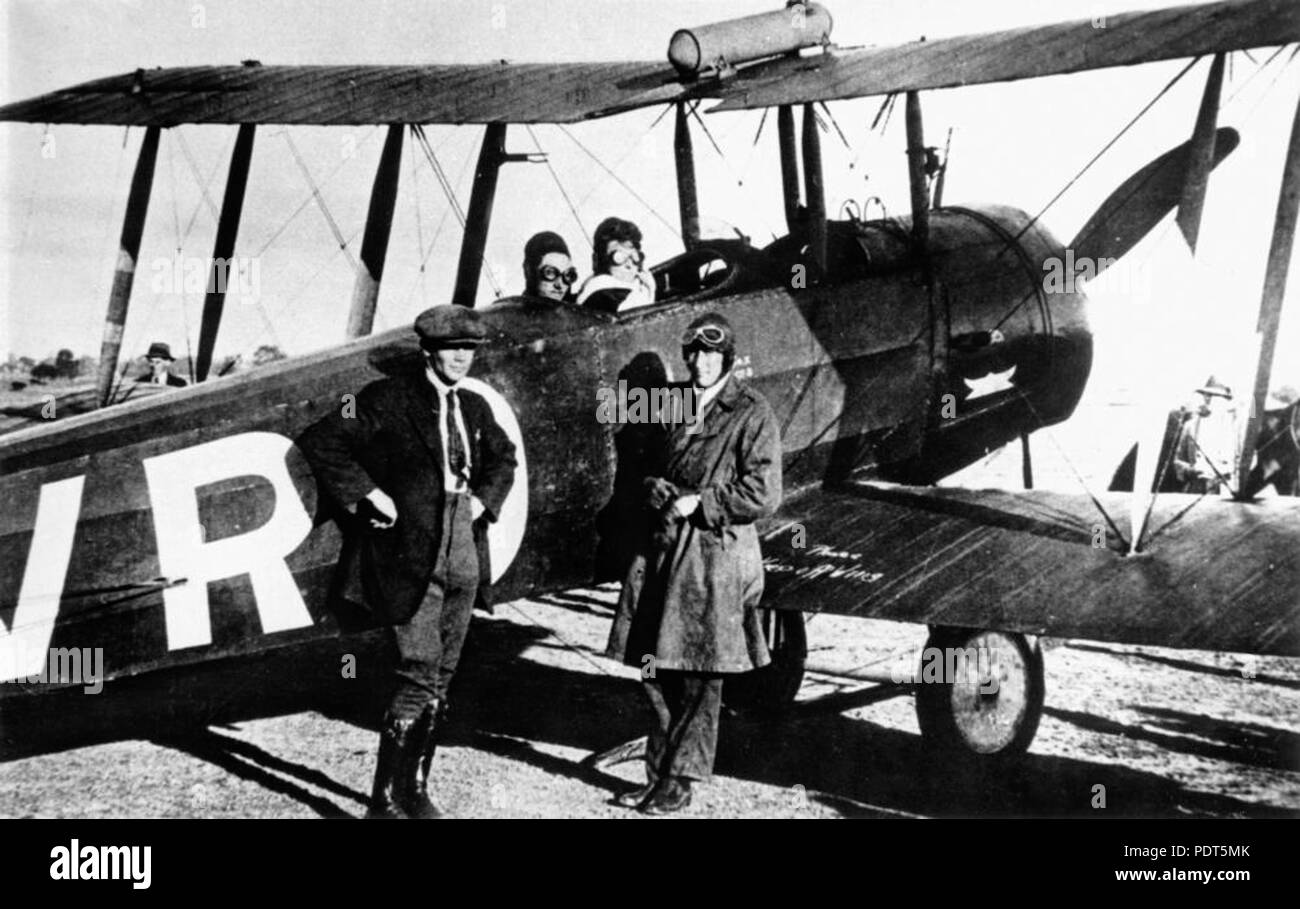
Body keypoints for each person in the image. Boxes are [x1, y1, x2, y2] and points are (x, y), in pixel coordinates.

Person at [298, 305, 516, 819]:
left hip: (462, 544)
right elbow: (323, 440)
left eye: (469, 350)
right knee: (417, 669)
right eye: (451, 349)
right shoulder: (386, 399)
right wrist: (368, 494)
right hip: (407, 552)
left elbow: (504, 457)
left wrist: (484, 500)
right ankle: (385, 801)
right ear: (428, 351)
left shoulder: (473, 407)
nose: (462, 358)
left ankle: (415, 789)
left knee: (443, 672)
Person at [605, 312, 782, 814]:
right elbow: (642, 465)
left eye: (712, 354)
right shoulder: (674, 401)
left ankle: (681, 780)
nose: (702, 362)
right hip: (662, 549)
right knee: (654, 668)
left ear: (727, 358)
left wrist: (702, 502)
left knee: (700, 675)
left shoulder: (751, 411)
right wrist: (651, 486)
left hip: (713, 557)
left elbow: (764, 492)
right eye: (695, 354)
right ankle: (657, 774)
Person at [577, 216, 656, 314]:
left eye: (633, 256)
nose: (629, 265)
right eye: (619, 257)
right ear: (602, 260)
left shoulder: (640, 287)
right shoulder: (603, 294)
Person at [520, 231, 579, 306]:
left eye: (567, 275)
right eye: (550, 273)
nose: (559, 285)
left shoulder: (578, 311)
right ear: (529, 271)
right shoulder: (510, 314)